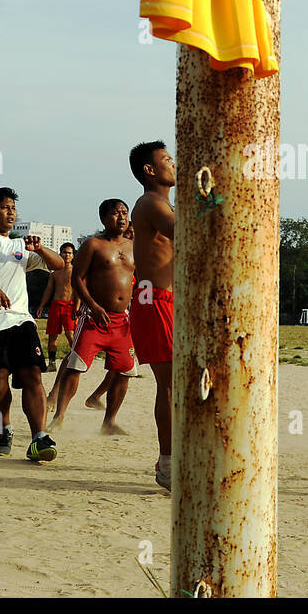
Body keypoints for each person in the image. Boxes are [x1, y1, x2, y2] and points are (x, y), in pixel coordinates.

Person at [0, 187, 67, 462]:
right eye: (5, 207)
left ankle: (39, 437)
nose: (11, 213)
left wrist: (40, 248)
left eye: (13, 208)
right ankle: (4, 428)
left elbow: (58, 266)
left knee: (33, 374)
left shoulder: (21, 246)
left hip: (20, 320)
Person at [51, 200, 136, 434]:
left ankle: (109, 422)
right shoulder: (93, 245)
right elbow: (77, 278)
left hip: (122, 321)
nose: (121, 217)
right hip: (94, 318)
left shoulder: (134, 247)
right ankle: (59, 416)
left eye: (124, 213)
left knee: (125, 371)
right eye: (115, 213)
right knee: (76, 366)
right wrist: (93, 306)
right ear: (103, 219)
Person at [128, 141, 175, 491]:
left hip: (170, 300)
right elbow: (185, 231)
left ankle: (178, 456)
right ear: (150, 170)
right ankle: (168, 463)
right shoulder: (151, 202)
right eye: (167, 159)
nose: (173, 163)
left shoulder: (164, 204)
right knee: (172, 384)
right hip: (154, 300)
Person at [36, 242, 77, 372]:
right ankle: (52, 363)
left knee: (70, 334)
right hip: (55, 305)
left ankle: (75, 360)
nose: (66, 255)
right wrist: (42, 305)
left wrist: (77, 307)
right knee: (52, 336)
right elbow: (49, 289)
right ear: (60, 254)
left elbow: (79, 291)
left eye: (69, 253)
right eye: (64, 252)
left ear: (73, 255)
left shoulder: (76, 271)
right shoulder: (55, 272)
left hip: (70, 306)